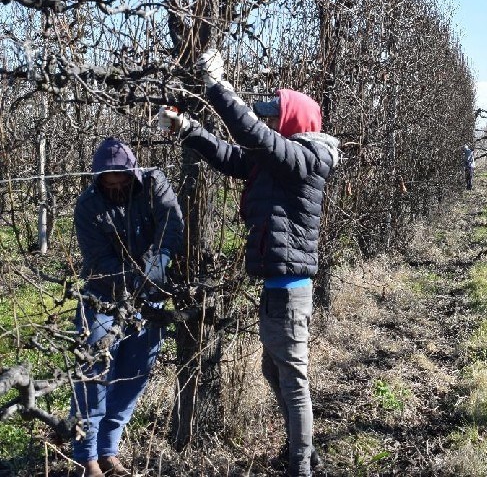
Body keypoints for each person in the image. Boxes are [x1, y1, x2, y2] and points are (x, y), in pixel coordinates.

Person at [161, 49, 339, 477]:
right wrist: (189, 129)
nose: (269, 122)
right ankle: (305, 454)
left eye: (276, 116)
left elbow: (256, 139)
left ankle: (302, 466)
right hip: (278, 287)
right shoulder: (277, 162)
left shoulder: (304, 161)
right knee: (274, 369)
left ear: (294, 122)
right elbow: (232, 156)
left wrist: (218, 88)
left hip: (290, 290)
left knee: (293, 381)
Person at [70, 138, 185, 477]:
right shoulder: (88, 206)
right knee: (92, 376)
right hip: (103, 297)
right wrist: (136, 279)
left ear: (133, 172)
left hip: (150, 299)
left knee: (135, 374)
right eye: (110, 180)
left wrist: (159, 260)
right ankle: (86, 456)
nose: (117, 185)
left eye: (122, 178)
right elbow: (99, 260)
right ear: (98, 178)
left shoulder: (153, 184)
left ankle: (108, 449)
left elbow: (171, 223)